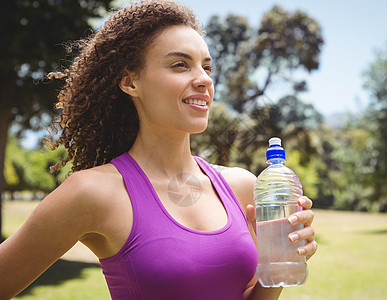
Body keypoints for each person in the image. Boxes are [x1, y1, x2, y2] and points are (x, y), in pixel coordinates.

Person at [0, 0, 317, 299]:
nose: (204, 79)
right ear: (131, 82)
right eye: (180, 65)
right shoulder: (93, 192)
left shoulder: (242, 186)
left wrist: (274, 269)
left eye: (207, 67)